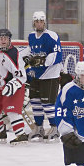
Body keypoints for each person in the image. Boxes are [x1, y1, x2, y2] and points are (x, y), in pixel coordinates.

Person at [21, 11, 63, 142]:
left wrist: (43, 61)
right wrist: (22, 59)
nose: (39, 23)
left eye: (41, 21)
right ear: (33, 23)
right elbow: (30, 50)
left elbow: (57, 54)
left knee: (48, 103)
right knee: (35, 102)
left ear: (44, 22)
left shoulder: (52, 35)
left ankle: (55, 127)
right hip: (35, 74)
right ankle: (39, 128)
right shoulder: (31, 36)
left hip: (50, 75)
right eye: (36, 21)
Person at [0, 29, 28, 145]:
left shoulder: (13, 54)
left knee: (12, 111)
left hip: (14, 87)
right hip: (1, 87)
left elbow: (21, 76)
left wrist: (12, 85)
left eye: (5, 38)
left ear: (9, 40)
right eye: (0, 38)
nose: (2, 41)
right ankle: (1, 132)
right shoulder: (0, 52)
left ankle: (21, 135)